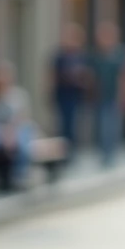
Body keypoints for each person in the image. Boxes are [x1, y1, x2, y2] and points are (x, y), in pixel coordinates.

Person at [90, 21, 125, 167]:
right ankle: (104, 153)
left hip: (114, 96)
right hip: (100, 96)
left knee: (112, 125)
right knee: (102, 125)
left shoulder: (119, 54)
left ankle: (111, 153)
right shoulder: (97, 54)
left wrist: (123, 95)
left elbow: (124, 76)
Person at [51, 23, 89, 157]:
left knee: (74, 124)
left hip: (75, 95)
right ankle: (63, 153)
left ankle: (72, 151)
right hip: (62, 94)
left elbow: (87, 76)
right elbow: (53, 75)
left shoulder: (81, 57)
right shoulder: (59, 56)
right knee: (63, 124)